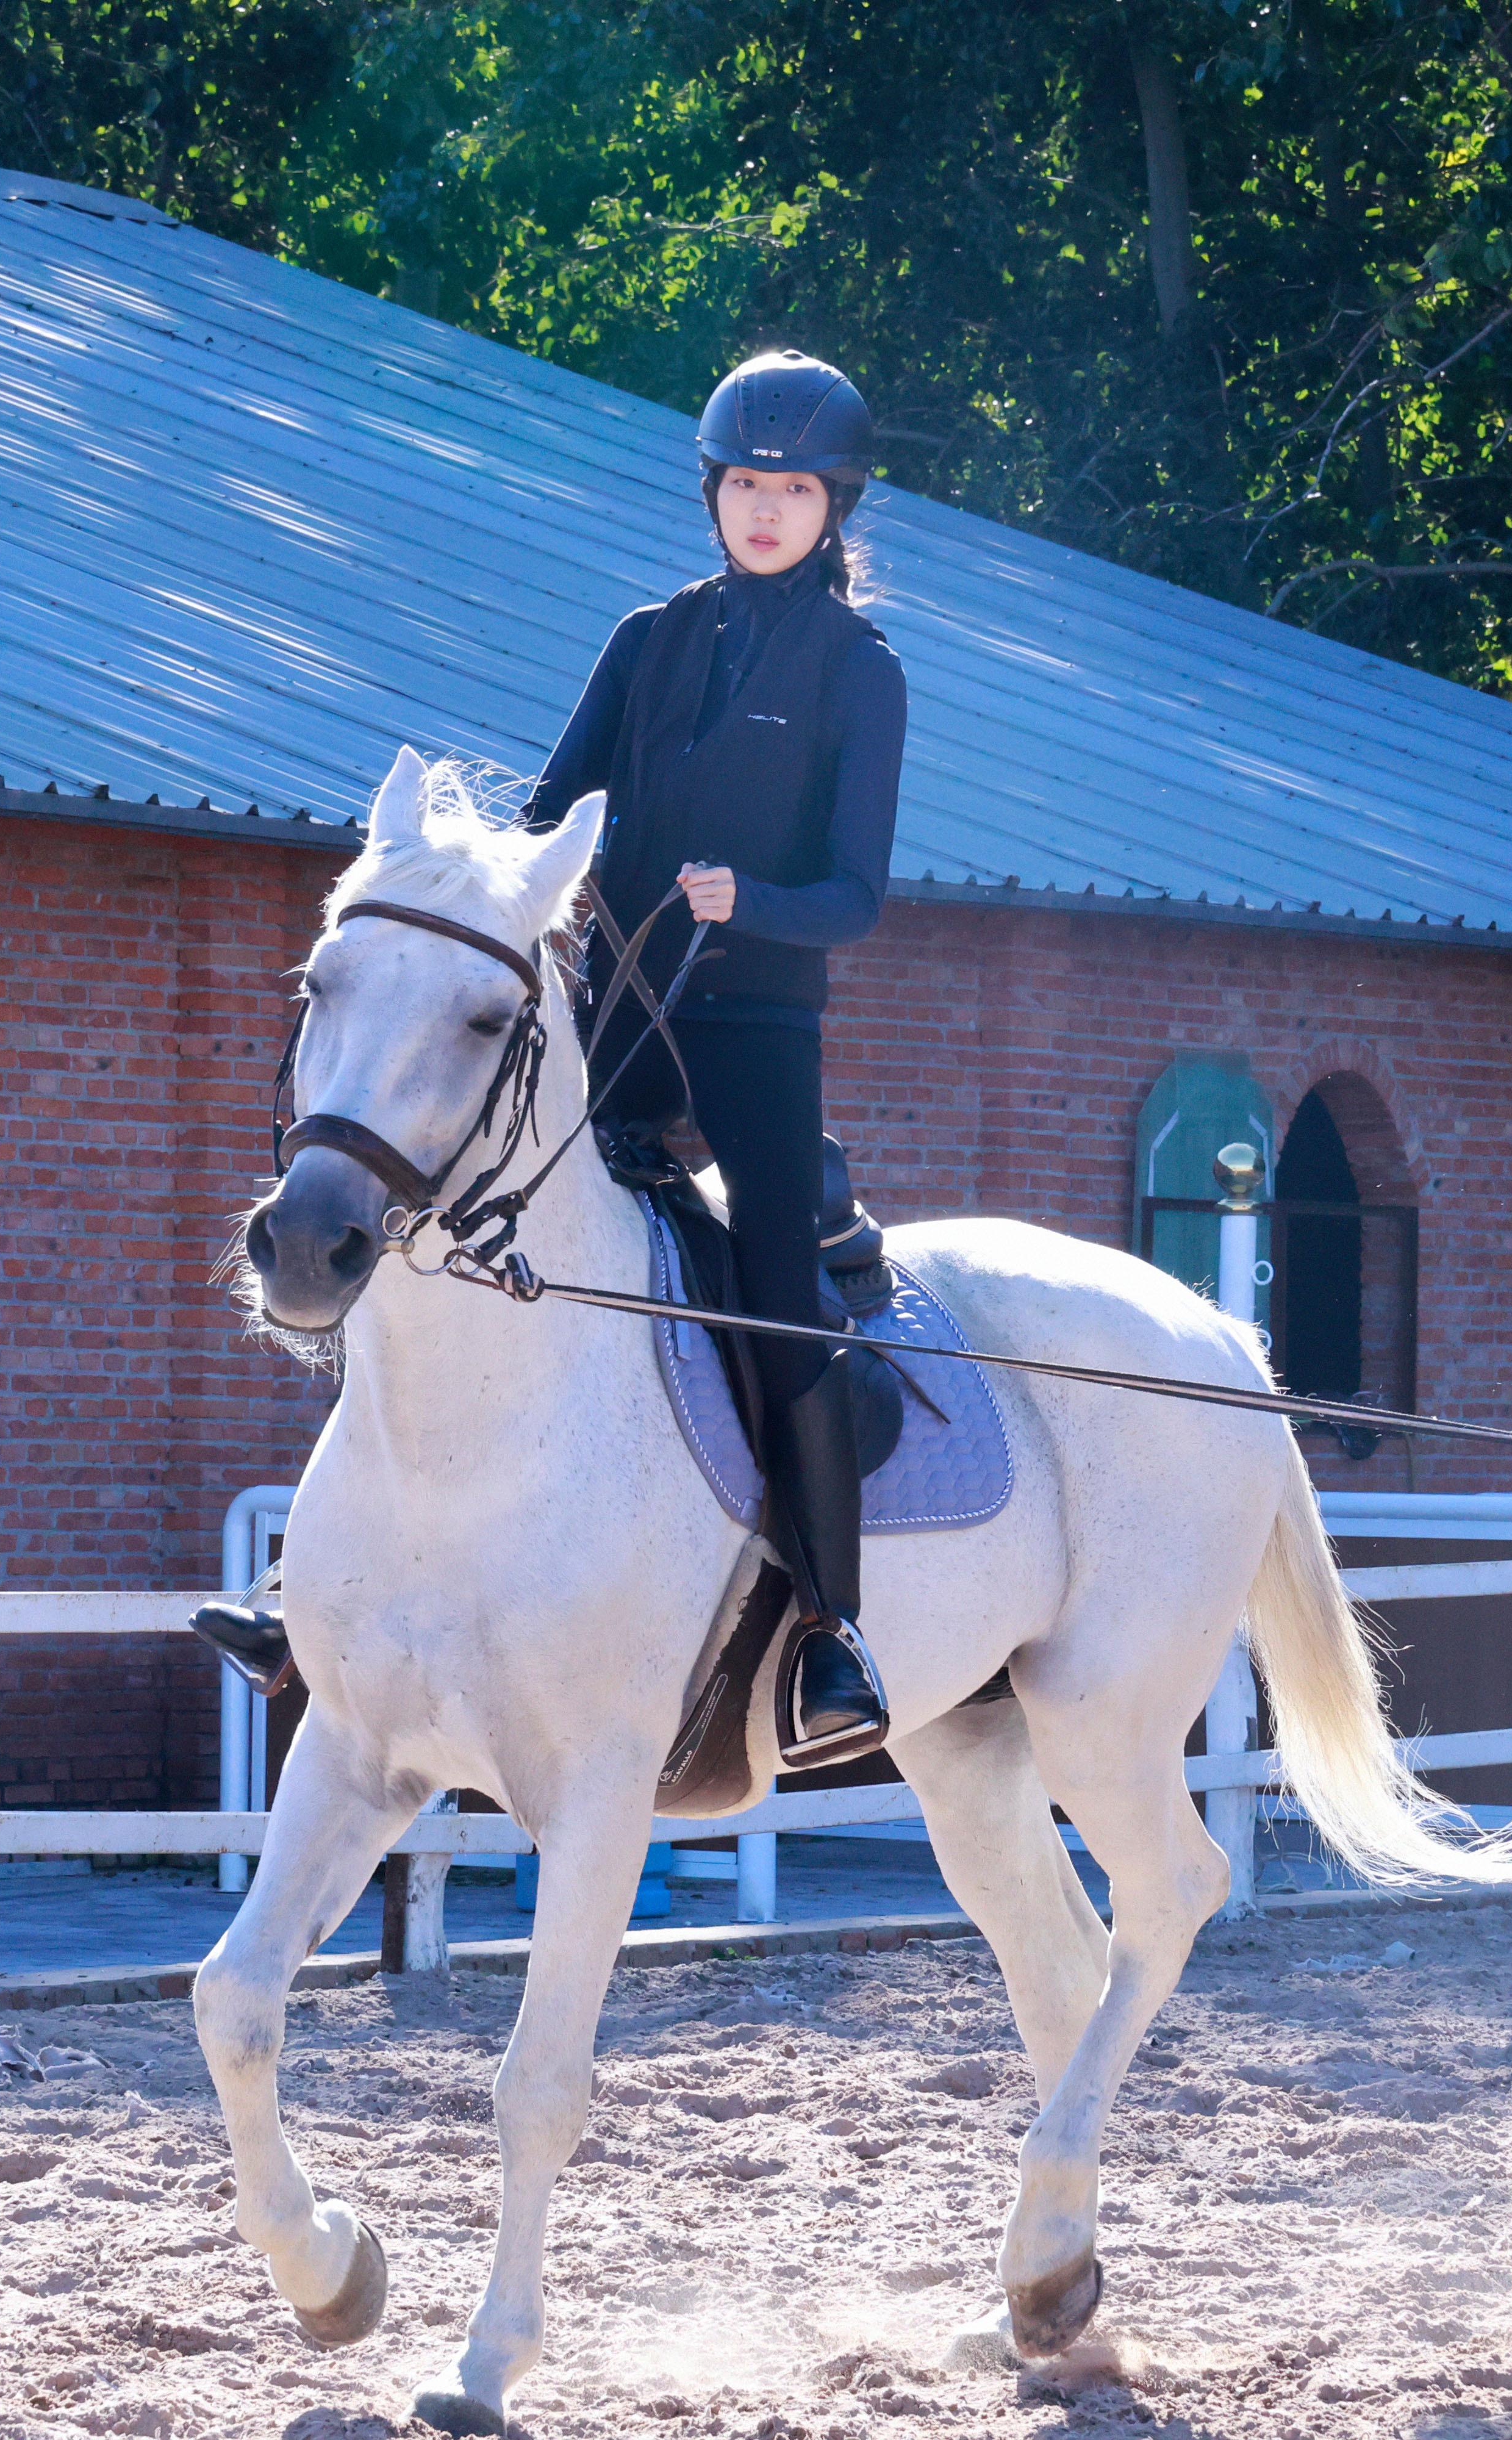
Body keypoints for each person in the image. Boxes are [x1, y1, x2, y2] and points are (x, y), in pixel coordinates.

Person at [519, 347, 907, 1771]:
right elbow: (549, 812)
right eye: (745, 483)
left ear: (832, 507)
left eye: (792, 489)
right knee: (454, 1201)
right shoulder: (645, 639)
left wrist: (756, 901)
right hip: (611, 1011)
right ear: (715, 493)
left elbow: (857, 896)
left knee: (769, 1285)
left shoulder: (862, 674)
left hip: (755, 1023)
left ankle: (832, 1627)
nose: (764, 508)